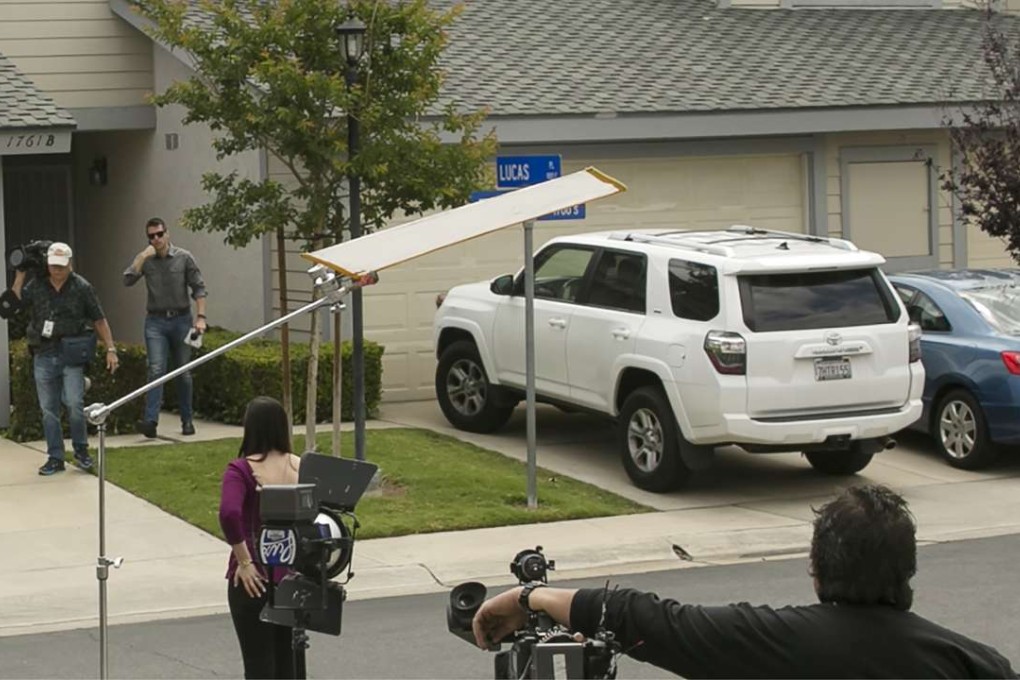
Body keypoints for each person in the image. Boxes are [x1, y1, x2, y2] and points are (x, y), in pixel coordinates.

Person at [472, 484, 1016, 679]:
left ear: (817, 567)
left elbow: (652, 622)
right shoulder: (973, 663)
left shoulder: (780, 643)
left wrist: (530, 596)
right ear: (908, 569)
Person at [12, 242, 119, 476]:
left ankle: (81, 451)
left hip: (71, 352)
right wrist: (20, 274)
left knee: (73, 403)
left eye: (61, 266)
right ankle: (55, 457)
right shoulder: (38, 284)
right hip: (43, 351)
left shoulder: (82, 287)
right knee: (48, 409)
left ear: (70, 264)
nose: (57, 270)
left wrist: (111, 348)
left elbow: (99, 319)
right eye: (53, 266)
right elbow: (17, 303)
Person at [219, 396, 301, 679]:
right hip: (291, 578)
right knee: (288, 665)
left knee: (258, 666)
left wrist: (244, 561)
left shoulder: (240, 470)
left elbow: (229, 513)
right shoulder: (299, 466)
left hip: (252, 579)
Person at [123, 217, 207, 438]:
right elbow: (128, 280)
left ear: (167, 234)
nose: (156, 239)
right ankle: (150, 421)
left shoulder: (184, 257)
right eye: (152, 236)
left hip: (181, 320)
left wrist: (201, 317)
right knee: (156, 369)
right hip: (156, 321)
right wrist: (142, 256)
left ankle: (187, 420)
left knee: (183, 372)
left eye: (160, 234)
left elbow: (198, 288)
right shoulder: (147, 260)